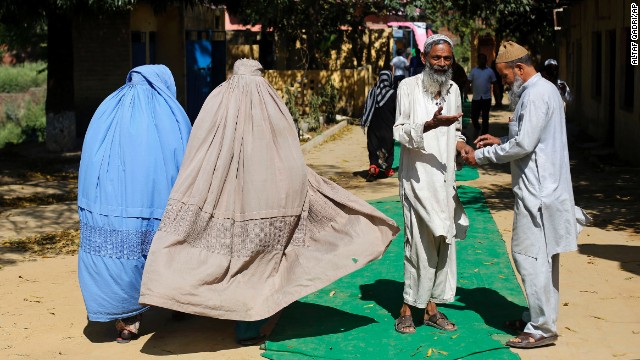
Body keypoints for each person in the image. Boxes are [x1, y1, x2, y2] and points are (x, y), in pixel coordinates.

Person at [139, 59, 399, 345]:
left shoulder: (218, 99)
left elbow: (200, 148)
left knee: (222, 251)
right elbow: (288, 155)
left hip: (223, 192)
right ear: (260, 75)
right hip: (267, 197)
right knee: (262, 259)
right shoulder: (270, 101)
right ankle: (249, 323)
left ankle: (196, 300)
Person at [463, 41, 583, 348]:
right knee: (541, 258)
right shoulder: (538, 92)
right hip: (543, 189)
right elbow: (530, 137)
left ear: (519, 68)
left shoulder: (538, 94)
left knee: (528, 256)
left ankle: (541, 328)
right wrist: (501, 137)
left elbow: (524, 146)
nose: (502, 82)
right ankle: (537, 315)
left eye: (504, 76)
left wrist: (484, 155)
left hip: (539, 193)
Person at [77, 65, 192, 343]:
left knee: (122, 258)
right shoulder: (171, 112)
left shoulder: (109, 107)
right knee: (166, 247)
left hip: (110, 202)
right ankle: (177, 304)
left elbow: (90, 158)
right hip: (157, 201)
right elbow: (187, 156)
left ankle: (127, 323)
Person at [393, 34, 473, 335]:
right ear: (425, 58)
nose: (442, 63)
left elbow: (458, 130)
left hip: (444, 180)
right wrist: (428, 125)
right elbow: (399, 130)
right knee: (417, 245)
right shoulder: (407, 87)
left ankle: (431, 308)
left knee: (443, 245)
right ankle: (406, 308)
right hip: (417, 179)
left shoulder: (453, 89)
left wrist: (461, 147)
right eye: (437, 58)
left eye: (447, 59)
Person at [361, 70, 396, 182]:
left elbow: (367, 108)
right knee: (388, 147)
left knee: (374, 145)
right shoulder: (393, 94)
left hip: (373, 127)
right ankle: (387, 169)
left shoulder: (372, 92)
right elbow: (397, 111)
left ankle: (374, 166)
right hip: (388, 127)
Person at [467, 53, 497, 140]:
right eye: (480, 59)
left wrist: (497, 97)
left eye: (483, 59)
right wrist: (465, 92)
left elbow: (495, 83)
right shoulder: (474, 71)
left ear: (486, 61)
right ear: (478, 60)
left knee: (485, 118)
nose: (482, 61)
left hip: (486, 98)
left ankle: (484, 135)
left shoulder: (490, 71)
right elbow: (468, 82)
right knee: (473, 116)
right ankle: (477, 127)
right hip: (476, 98)